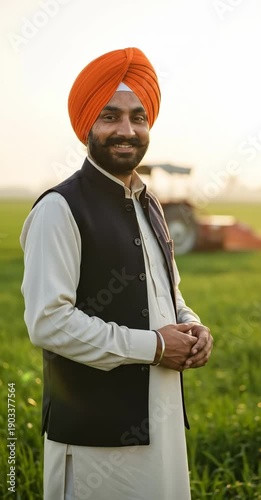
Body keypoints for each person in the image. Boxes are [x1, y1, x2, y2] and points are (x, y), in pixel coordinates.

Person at [20, 47, 213, 500]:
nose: (127, 130)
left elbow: (170, 295)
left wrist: (194, 325)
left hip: (162, 430)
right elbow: (48, 322)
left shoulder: (152, 205)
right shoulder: (59, 209)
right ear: (86, 123)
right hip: (94, 446)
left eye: (138, 117)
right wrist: (156, 345)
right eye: (110, 116)